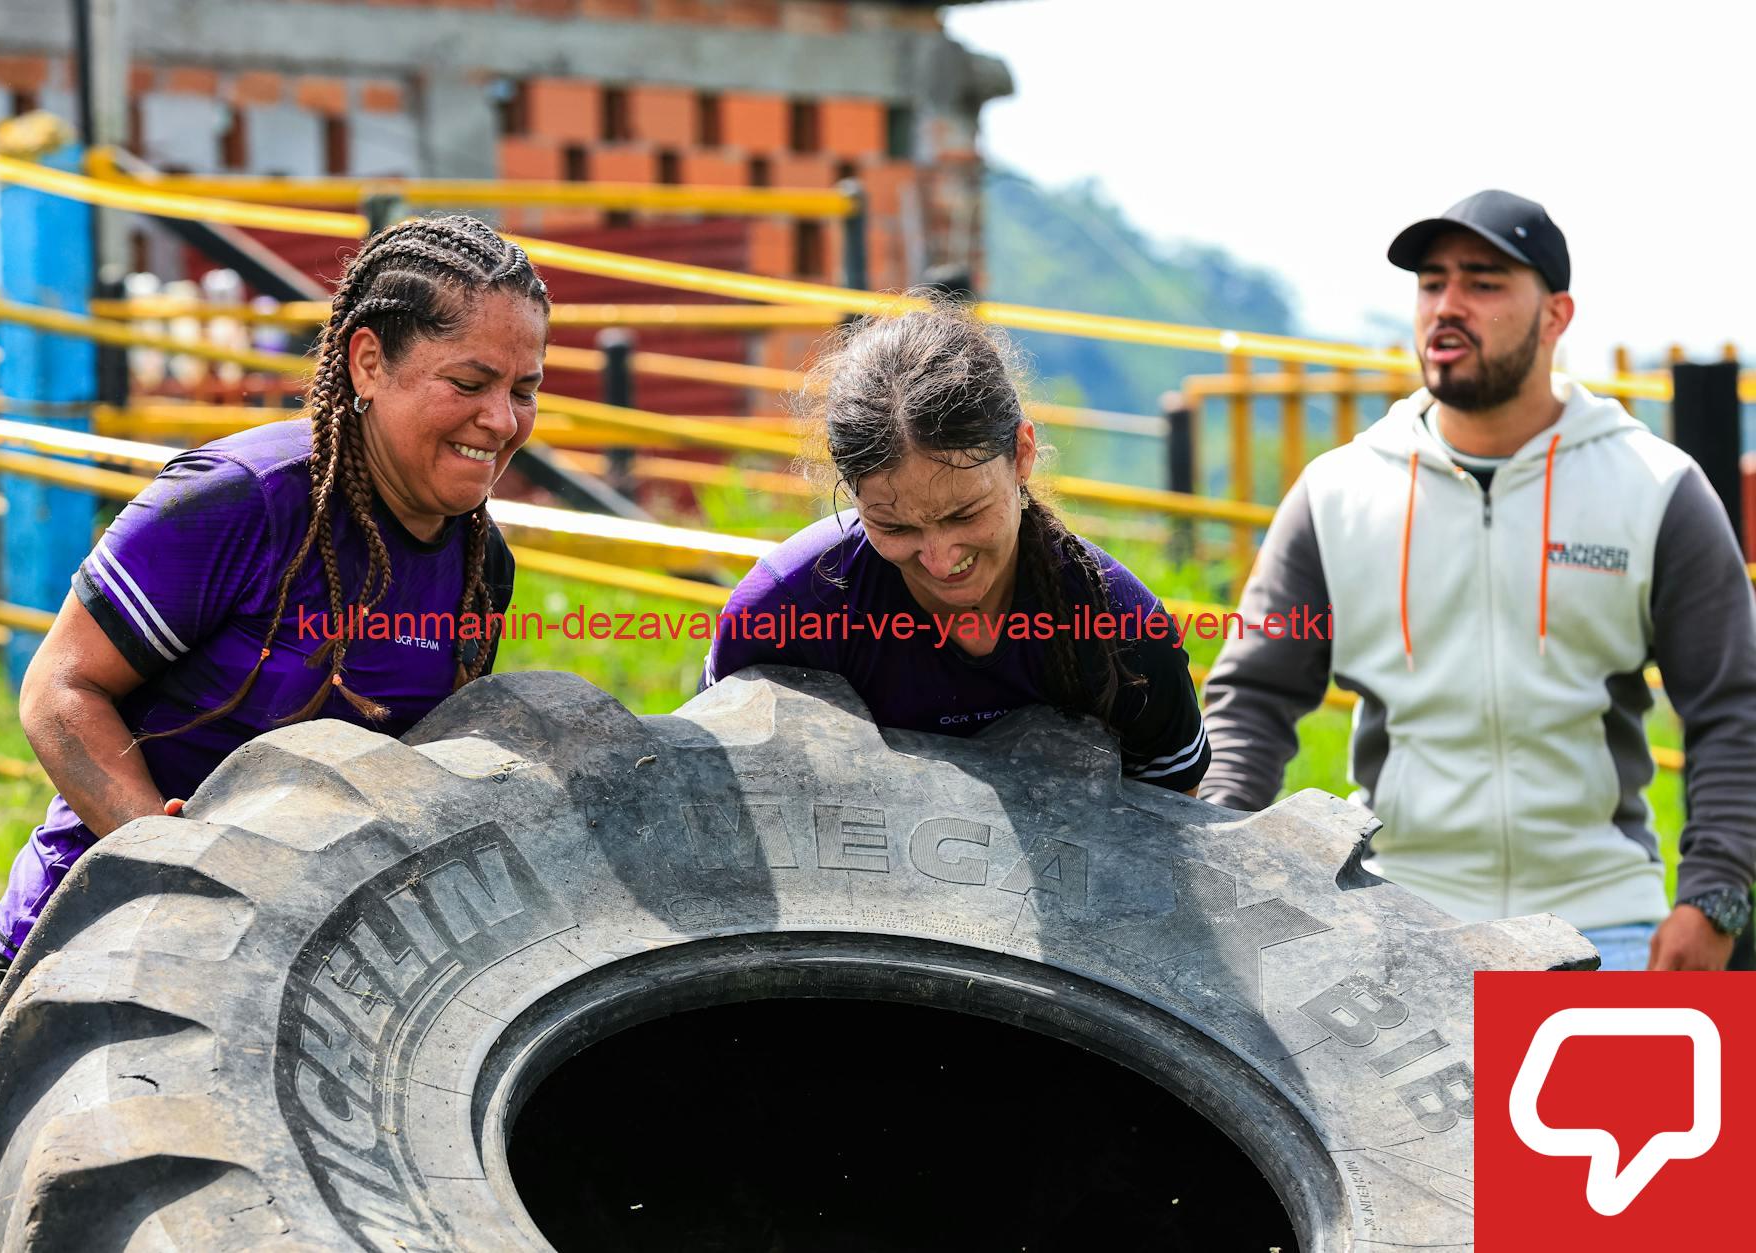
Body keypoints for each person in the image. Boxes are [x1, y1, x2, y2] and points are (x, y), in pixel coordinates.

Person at [0, 215, 549, 1039]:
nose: (500, 420)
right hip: (90, 951)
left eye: (523, 390)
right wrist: (178, 877)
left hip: (295, 985)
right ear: (369, 361)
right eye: (468, 382)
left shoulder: (478, 564)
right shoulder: (239, 500)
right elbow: (60, 688)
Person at [1199, 190, 1756, 970]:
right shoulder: (1337, 492)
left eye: (1484, 283)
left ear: (1557, 315)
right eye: (1432, 283)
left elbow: (1733, 708)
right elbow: (1251, 698)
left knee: (1665, 1099)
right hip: (1394, 928)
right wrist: (1215, 869)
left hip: (1610, 931)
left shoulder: (1658, 488)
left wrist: (1715, 894)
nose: (1447, 306)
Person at [701, 302, 1209, 793]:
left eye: (965, 514)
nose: (941, 561)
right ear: (853, 494)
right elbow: (712, 791)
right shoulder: (783, 612)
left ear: (1022, 454)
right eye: (895, 528)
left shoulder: (1123, 629)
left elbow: (1165, 835)